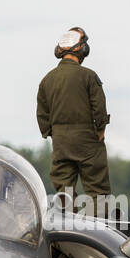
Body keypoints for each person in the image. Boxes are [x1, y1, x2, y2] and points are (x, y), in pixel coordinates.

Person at [36, 26, 110, 208]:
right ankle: (97, 232)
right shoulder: (89, 76)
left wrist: (54, 135)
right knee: (97, 191)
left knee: (64, 193)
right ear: (82, 49)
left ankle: (67, 233)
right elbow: (99, 109)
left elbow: (42, 115)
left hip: (60, 142)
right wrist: (100, 131)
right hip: (87, 140)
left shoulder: (47, 80)